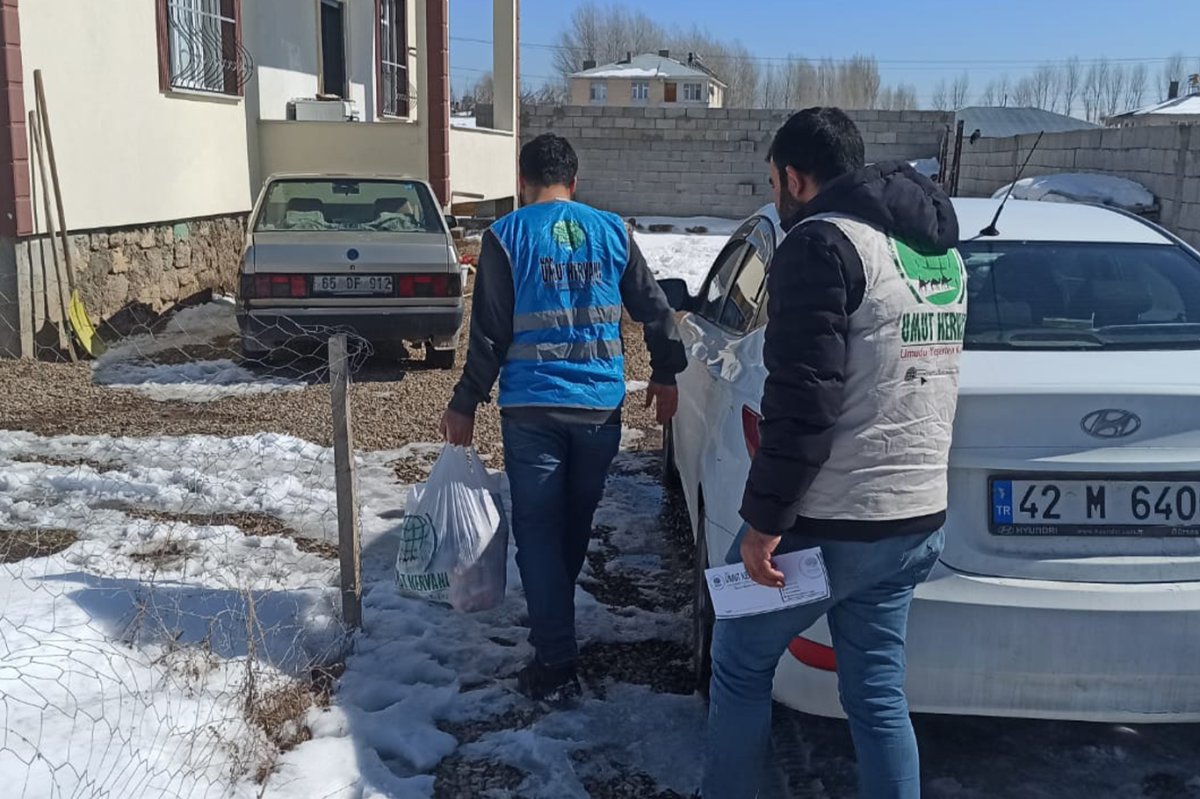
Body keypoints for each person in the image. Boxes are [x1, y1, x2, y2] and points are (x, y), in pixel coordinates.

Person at [701, 108, 964, 798]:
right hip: (914, 520)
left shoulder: (819, 244)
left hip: (829, 525)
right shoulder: (935, 252)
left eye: (775, 183)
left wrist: (762, 525)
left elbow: (803, 400)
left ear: (794, 177)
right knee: (875, 690)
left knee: (737, 659)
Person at [441, 133, 686, 704]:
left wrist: (464, 400)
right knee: (571, 526)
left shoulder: (506, 237)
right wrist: (666, 373)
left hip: (532, 411)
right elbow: (655, 308)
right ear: (574, 183)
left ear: (523, 182)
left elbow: (489, 335)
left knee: (539, 532)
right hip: (600, 409)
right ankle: (554, 629)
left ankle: (555, 658)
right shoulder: (612, 231)